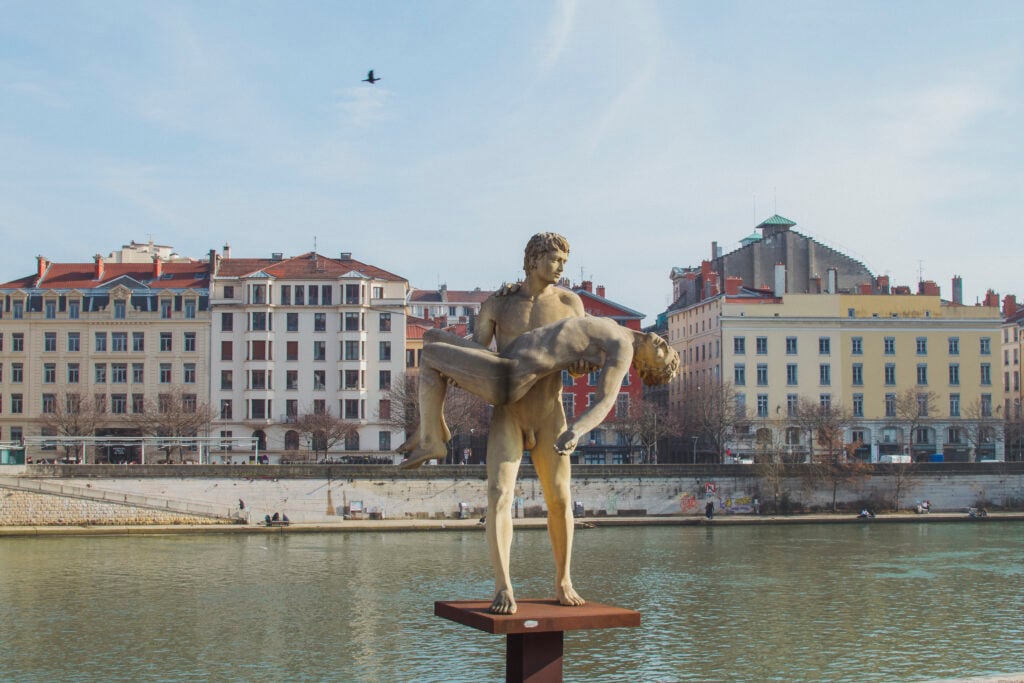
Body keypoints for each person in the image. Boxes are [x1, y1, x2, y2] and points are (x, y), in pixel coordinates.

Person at [400, 233, 589, 615]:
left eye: (564, 262)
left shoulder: (571, 303)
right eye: (554, 260)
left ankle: (563, 579)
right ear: (533, 260)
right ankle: (503, 585)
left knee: (561, 499)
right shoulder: (496, 305)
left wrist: (581, 363)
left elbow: (581, 354)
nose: (560, 269)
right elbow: (478, 353)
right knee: (498, 496)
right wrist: (452, 367)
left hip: (551, 411)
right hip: (509, 412)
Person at [399, 315, 679, 466]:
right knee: (431, 337)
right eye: (667, 347)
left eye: (662, 354)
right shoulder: (618, 330)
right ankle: (436, 428)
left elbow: (606, 399)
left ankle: (432, 441)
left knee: (431, 356)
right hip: (502, 361)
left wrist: (577, 430)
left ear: (645, 368)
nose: (663, 345)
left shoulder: (623, 350)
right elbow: (575, 348)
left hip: (509, 376)